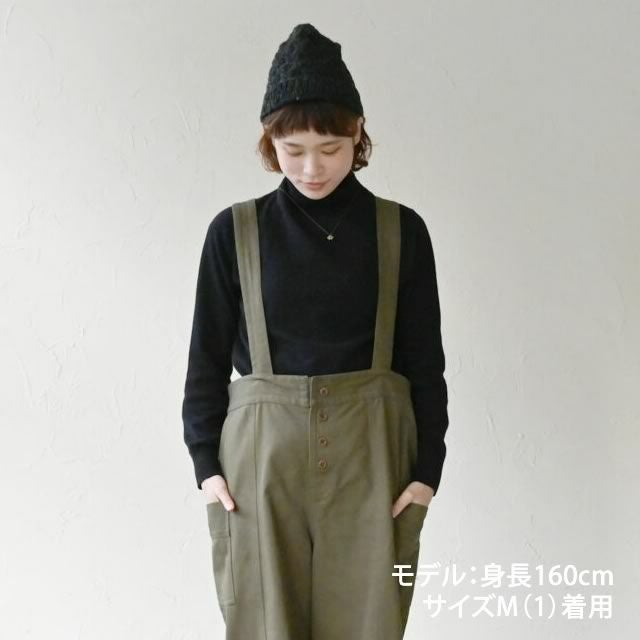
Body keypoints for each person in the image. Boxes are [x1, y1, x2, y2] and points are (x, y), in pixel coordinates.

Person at [182, 23, 449, 640]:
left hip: (374, 461)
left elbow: (424, 363)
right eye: (292, 148)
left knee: (371, 626)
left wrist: (426, 473)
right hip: (259, 466)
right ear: (268, 141)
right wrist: (206, 465)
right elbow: (205, 361)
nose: (311, 167)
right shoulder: (235, 232)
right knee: (263, 626)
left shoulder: (401, 231)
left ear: (358, 134)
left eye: (330, 148)